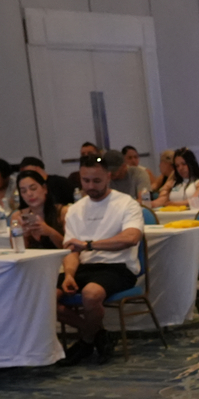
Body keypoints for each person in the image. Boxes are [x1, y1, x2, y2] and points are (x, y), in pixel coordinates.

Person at [58, 154, 146, 365]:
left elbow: (131, 238)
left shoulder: (126, 203)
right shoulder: (75, 210)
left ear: (108, 177)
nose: (90, 186)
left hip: (118, 266)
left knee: (91, 294)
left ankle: (86, 341)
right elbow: (71, 251)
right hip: (84, 267)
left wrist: (90, 245)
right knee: (42, 297)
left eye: (96, 181)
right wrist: (69, 274)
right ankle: (99, 334)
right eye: (85, 180)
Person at [12, 167, 66, 248]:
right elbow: (16, 250)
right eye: (23, 191)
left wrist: (50, 232)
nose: (29, 194)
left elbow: (72, 248)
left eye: (33, 188)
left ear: (44, 188)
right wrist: (24, 236)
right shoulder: (17, 217)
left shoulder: (62, 212)